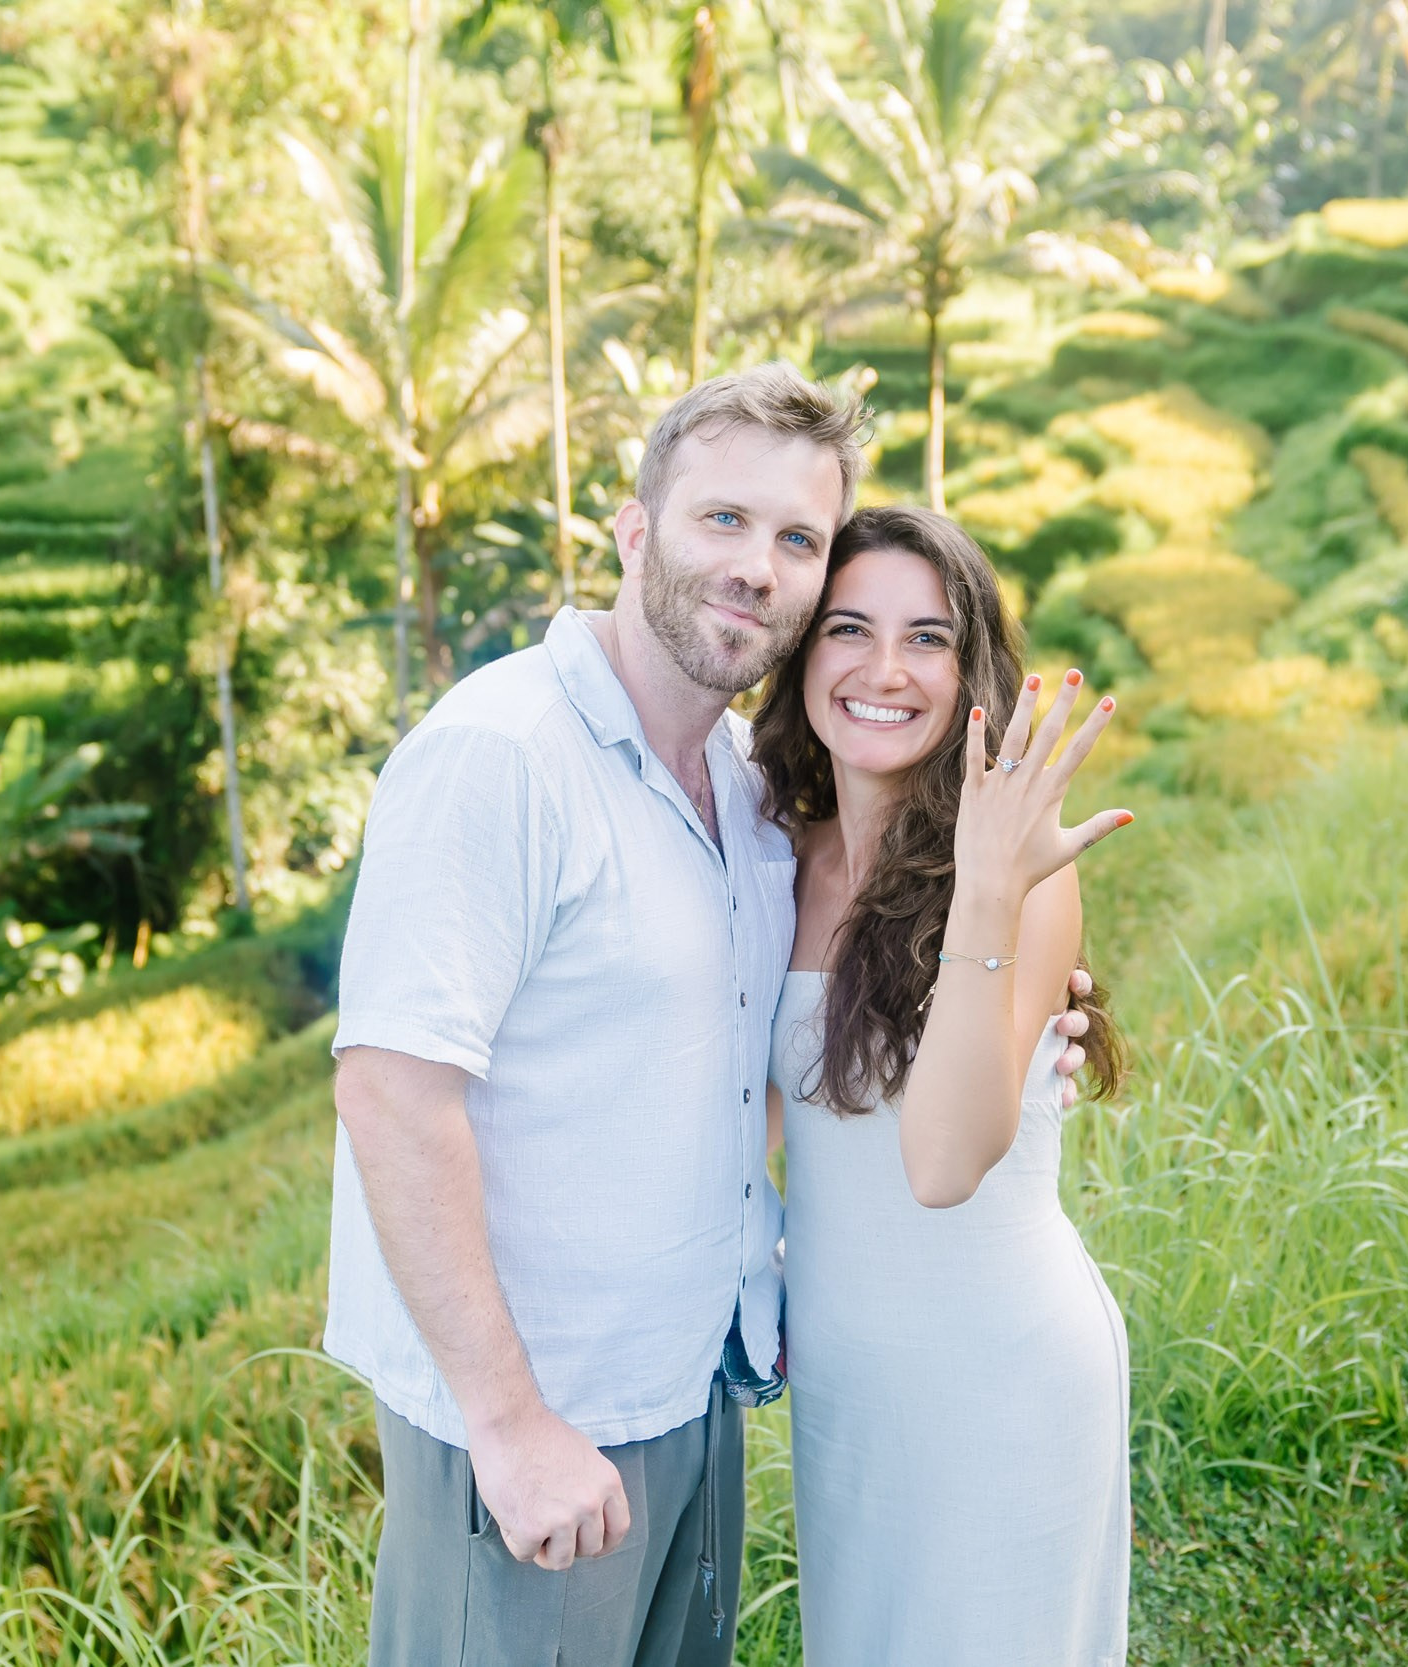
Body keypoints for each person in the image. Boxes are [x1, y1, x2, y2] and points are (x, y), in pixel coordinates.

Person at [327, 365, 1098, 1667]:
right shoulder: (501, 753)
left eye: (796, 537)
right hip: (539, 1420)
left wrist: (1015, 1020)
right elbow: (391, 1089)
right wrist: (509, 1423)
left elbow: (753, 1072)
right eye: (723, 519)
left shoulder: (747, 798)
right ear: (636, 529)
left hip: (700, 1397)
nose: (755, 565)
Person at [757, 504, 1135, 1666]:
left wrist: (982, 886)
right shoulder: (777, 854)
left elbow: (941, 1162)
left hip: (999, 1373)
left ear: (972, 673)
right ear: (801, 653)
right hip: (846, 1384)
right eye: (848, 628)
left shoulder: (1024, 876)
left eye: (926, 637)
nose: (884, 669)